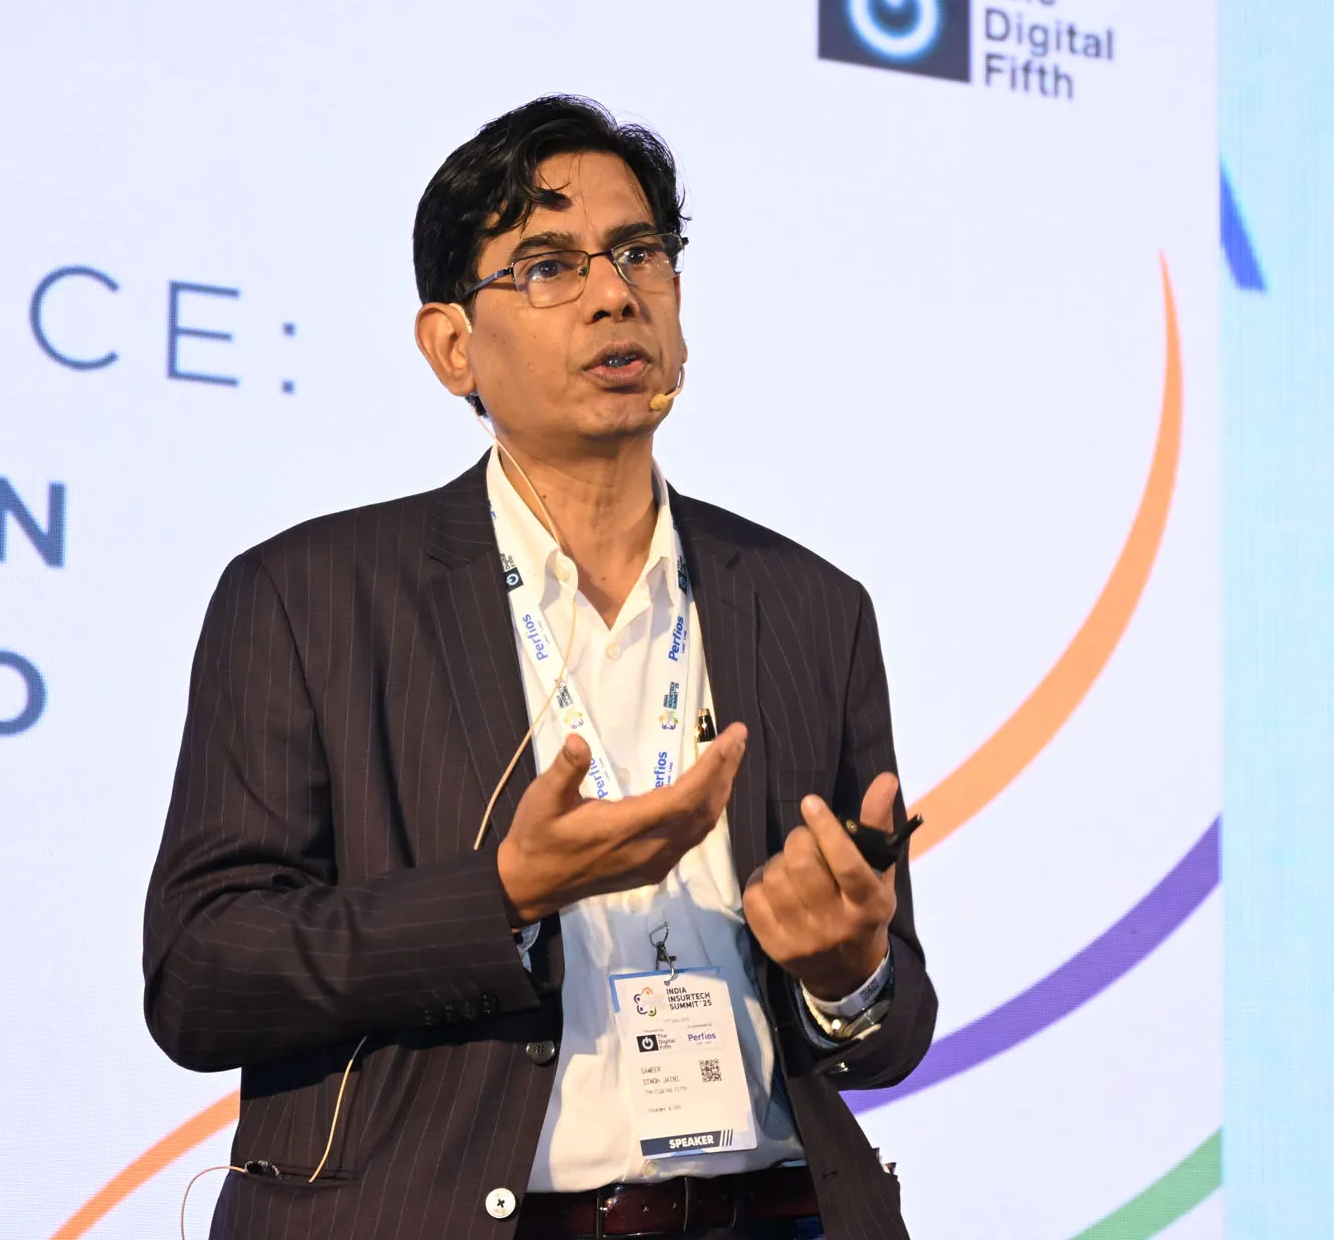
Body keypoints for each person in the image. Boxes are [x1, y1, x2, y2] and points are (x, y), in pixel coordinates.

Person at [144, 95, 934, 1240]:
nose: (615, 294)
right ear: (452, 346)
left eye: (639, 254)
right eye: (550, 266)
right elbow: (201, 977)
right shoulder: (309, 598)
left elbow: (891, 1032)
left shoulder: (811, 606)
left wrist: (846, 971)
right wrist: (500, 897)